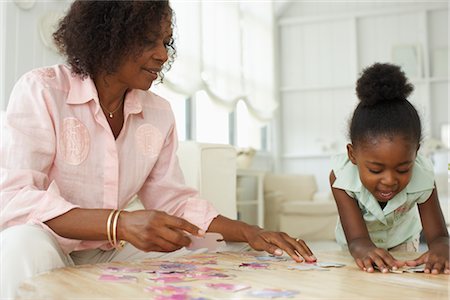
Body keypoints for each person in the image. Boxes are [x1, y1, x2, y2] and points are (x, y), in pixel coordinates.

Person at [0, 1, 316, 298]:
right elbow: (16, 198)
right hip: (49, 244)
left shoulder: (158, 113)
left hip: (111, 249)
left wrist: (249, 232)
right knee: (19, 244)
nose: (162, 55)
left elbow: (173, 200)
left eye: (166, 42)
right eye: (149, 41)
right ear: (107, 37)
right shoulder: (42, 90)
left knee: (222, 255)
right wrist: (119, 222)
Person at [330, 62, 449, 275]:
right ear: (352, 154)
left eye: (403, 169)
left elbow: (439, 236)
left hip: (403, 243)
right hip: (357, 247)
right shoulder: (341, 178)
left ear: (416, 154)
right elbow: (357, 240)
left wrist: (442, 249)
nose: (389, 180)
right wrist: (363, 249)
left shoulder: (423, 176)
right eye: (376, 170)